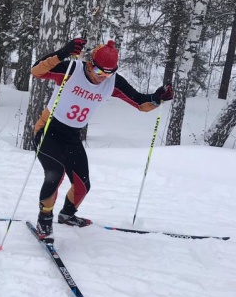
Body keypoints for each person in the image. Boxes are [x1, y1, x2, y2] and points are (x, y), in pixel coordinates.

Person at [30, 38, 173, 239]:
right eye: (99, 72)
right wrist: (62, 53)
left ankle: (67, 215)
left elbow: (140, 103)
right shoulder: (72, 70)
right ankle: (44, 219)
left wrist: (157, 98)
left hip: (71, 135)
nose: (102, 78)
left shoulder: (112, 83)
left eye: (108, 73)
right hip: (48, 129)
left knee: (83, 184)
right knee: (55, 173)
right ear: (90, 64)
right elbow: (36, 71)